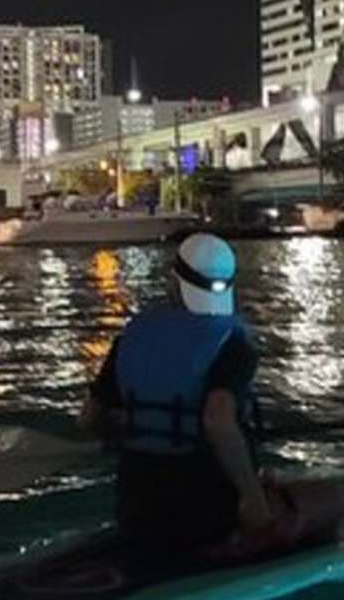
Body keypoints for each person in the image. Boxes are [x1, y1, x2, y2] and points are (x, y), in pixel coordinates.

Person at [80, 233, 296, 556]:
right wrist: (253, 498)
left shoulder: (131, 337)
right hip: (207, 514)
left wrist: (132, 425)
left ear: (173, 282)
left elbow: (89, 420)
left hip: (135, 512)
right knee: (316, 503)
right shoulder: (233, 342)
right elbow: (217, 419)